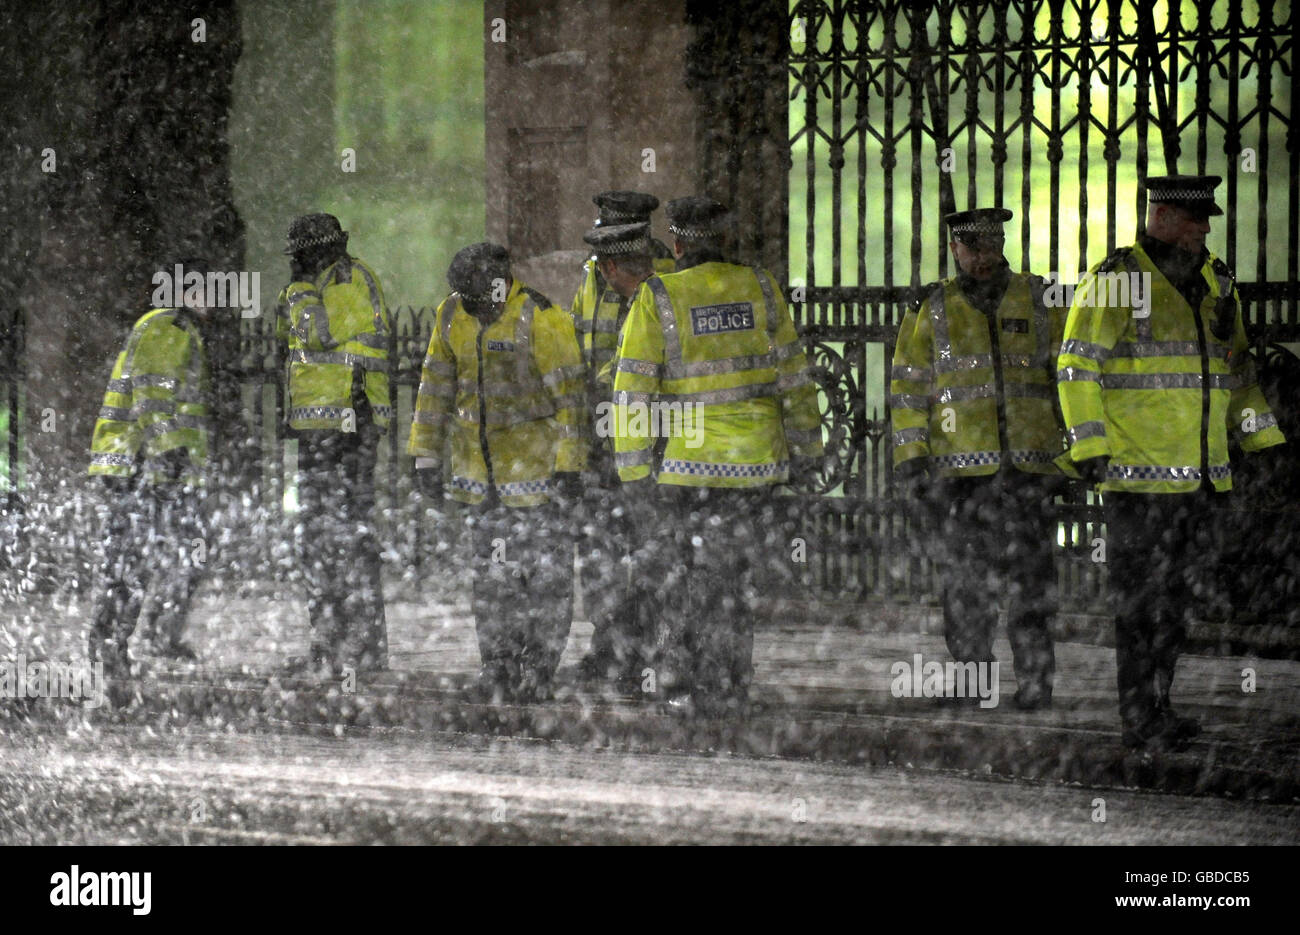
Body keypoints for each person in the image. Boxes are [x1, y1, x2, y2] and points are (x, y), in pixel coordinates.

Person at [1057, 175, 1287, 751]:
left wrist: (1265, 443)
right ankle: (1140, 715)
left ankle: (1160, 704)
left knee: (1174, 603)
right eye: (1194, 219)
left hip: (1199, 475)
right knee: (1138, 603)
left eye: (1206, 219)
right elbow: (1076, 366)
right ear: (1160, 216)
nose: (1205, 228)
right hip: (1137, 476)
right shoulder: (1115, 280)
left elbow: (1238, 376)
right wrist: (1089, 447)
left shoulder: (1215, 280)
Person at [611, 196, 823, 716]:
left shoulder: (658, 296)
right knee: (735, 574)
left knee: (687, 573)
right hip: (758, 464)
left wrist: (634, 469)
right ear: (724, 240)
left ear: (677, 243)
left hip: (691, 465)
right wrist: (808, 450)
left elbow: (633, 389)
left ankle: (683, 680)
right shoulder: (763, 290)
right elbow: (795, 381)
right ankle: (730, 682)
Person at [890, 208, 1067, 710]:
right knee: (966, 587)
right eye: (973, 248)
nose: (983, 257)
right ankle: (974, 681)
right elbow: (907, 388)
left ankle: (1035, 682)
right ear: (955, 249)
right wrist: (912, 458)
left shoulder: (1039, 298)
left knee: (1031, 583)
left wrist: (1071, 453)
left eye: (991, 246)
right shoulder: (932, 307)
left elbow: (1066, 375)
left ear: (1002, 243)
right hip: (961, 475)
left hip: (1029, 469)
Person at [408, 242, 588, 703]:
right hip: (481, 482)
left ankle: (538, 670)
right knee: (494, 582)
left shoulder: (541, 319)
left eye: (478, 296)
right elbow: (434, 390)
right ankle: (500, 668)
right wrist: (425, 457)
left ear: (501, 282)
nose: (471, 305)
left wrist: (570, 466)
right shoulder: (452, 315)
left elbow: (571, 402)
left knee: (545, 582)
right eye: (464, 296)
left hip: (537, 481)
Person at [87, 257, 215, 676]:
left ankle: (127, 644)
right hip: (144, 465)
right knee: (135, 561)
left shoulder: (173, 327)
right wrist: (170, 449)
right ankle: (113, 649)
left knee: (147, 558)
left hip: (143, 465)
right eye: (205, 288)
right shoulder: (168, 326)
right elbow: (152, 394)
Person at [277, 213, 391, 678]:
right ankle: (332, 646)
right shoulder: (336, 278)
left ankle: (355, 650)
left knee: (342, 539)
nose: (295, 266)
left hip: (345, 425)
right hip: (330, 428)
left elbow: (319, 335)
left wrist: (300, 292)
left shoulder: (342, 281)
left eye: (300, 257)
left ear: (315, 252)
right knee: (324, 540)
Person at [573, 221, 663, 690]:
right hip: (605, 443)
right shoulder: (590, 284)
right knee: (603, 553)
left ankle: (643, 655)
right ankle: (609, 647)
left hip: (648, 444)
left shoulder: (661, 291)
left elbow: (635, 369)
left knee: (645, 554)